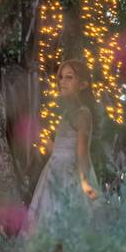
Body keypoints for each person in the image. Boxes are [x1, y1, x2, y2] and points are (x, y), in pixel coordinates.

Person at [26, 59, 101, 232]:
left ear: (83, 84)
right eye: (61, 77)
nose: (62, 82)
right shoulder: (67, 113)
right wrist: (43, 139)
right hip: (53, 171)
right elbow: (58, 149)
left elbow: (82, 153)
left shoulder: (83, 114)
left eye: (69, 77)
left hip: (69, 174)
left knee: (64, 217)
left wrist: (86, 183)